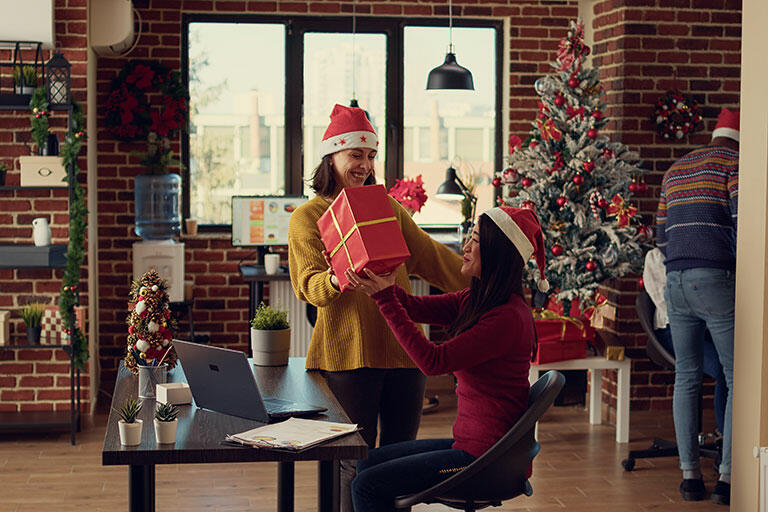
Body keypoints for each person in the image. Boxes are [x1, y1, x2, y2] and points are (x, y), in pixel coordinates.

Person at [287, 104, 469, 512]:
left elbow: (431, 258)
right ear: (331, 157)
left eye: (371, 156)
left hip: (405, 353)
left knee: (400, 464)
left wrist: (489, 280)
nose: (366, 165)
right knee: (349, 465)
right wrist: (338, 279)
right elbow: (308, 286)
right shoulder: (308, 217)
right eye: (356, 155)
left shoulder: (386, 209)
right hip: (346, 358)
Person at [345, 206, 549, 512]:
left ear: (498, 252)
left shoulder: (506, 318)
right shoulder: (479, 300)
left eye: (476, 240)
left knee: (368, 484)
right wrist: (381, 281)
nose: (465, 247)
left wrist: (385, 299)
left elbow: (432, 360)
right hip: (472, 447)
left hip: (484, 462)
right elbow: (412, 306)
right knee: (367, 464)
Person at [656, 107, 739, 506]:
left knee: (686, 378)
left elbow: (659, 237)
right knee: (738, 376)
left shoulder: (675, 169)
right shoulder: (736, 164)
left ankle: (690, 478)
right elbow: (744, 227)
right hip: (716, 279)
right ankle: (726, 479)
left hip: (675, 281)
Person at [643, 247, 727, 438]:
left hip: (707, 329)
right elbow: (669, 304)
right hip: (672, 329)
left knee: (736, 361)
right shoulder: (656, 256)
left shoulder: (704, 255)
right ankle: (723, 434)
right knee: (724, 368)